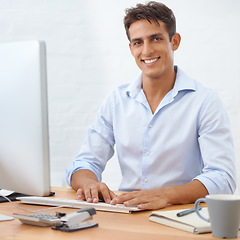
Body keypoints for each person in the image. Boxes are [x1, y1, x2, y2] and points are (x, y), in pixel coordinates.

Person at [66, 1, 236, 210]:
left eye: (155, 39)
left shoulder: (205, 101)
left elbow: (223, 179)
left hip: (179, 214)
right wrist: (90, 184)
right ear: (131, 48)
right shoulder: (117, 101)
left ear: (174, 41)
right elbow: (84, 164)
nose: (147, 50)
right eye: (138, 42)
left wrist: (165, 195)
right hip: (126, 212)